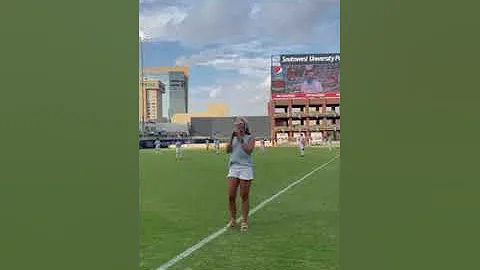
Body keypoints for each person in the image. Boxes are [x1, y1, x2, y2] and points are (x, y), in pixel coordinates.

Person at [226, 117, 255, 232]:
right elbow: (228, 151)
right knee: (231, 195)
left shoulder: (250, 138)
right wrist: (231, 138)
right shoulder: (234, 138)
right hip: (234, 167)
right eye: (237, 125)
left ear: (245, 126)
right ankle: (233, 219)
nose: (238, 127)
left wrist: (240, 139)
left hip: (245, 168)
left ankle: (244, 221)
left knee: (244, 195)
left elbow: (248, 151)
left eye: (240, 125)